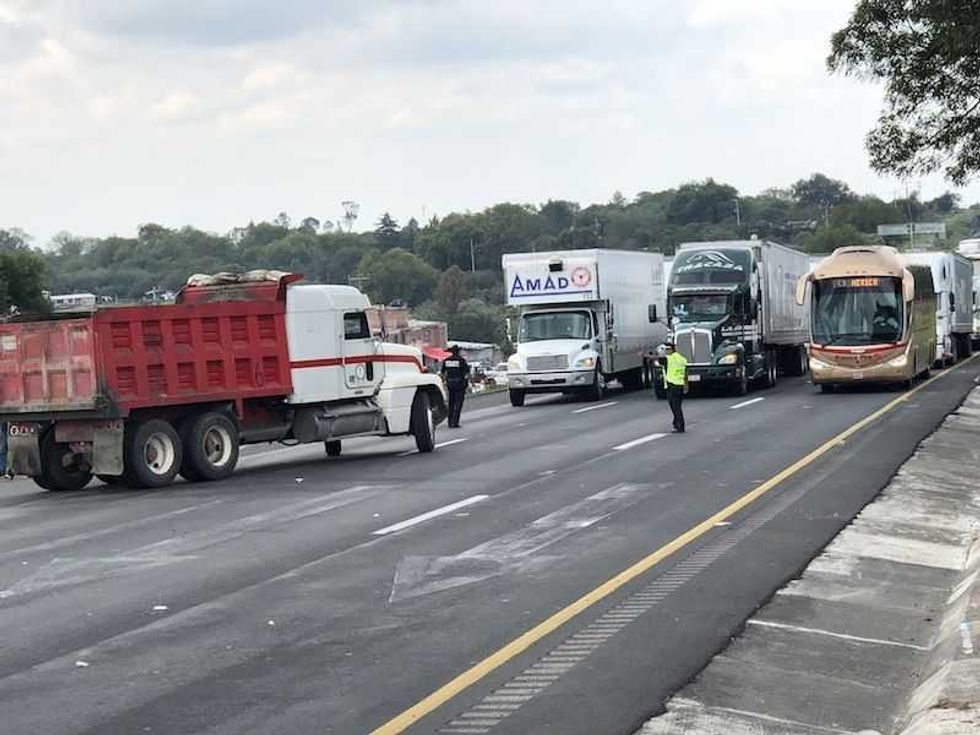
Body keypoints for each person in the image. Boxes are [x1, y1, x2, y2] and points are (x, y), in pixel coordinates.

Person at [441, 345, 470, 428]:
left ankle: (450, 422)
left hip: (450, 383)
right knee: (458, 404)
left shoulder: (447, 361)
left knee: (451, 403)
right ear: (458, 352)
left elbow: (443, 373)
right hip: (459, 384)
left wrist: (445, 382)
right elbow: (466, 373)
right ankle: (455, 422)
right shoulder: (461, 360)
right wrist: (466, 383)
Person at [662, 341, 688, 433]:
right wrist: (686, 385)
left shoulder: (668, 359)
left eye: (667, 349)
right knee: (677, 406)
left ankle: (680, 426)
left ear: (672, 350)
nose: (666, 351)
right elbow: (685, 373)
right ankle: (676, 423)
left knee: (675, 407)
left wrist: (644, 355)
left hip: (672, 385)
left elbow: (656, 358)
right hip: (680, 385)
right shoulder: (682, 359)